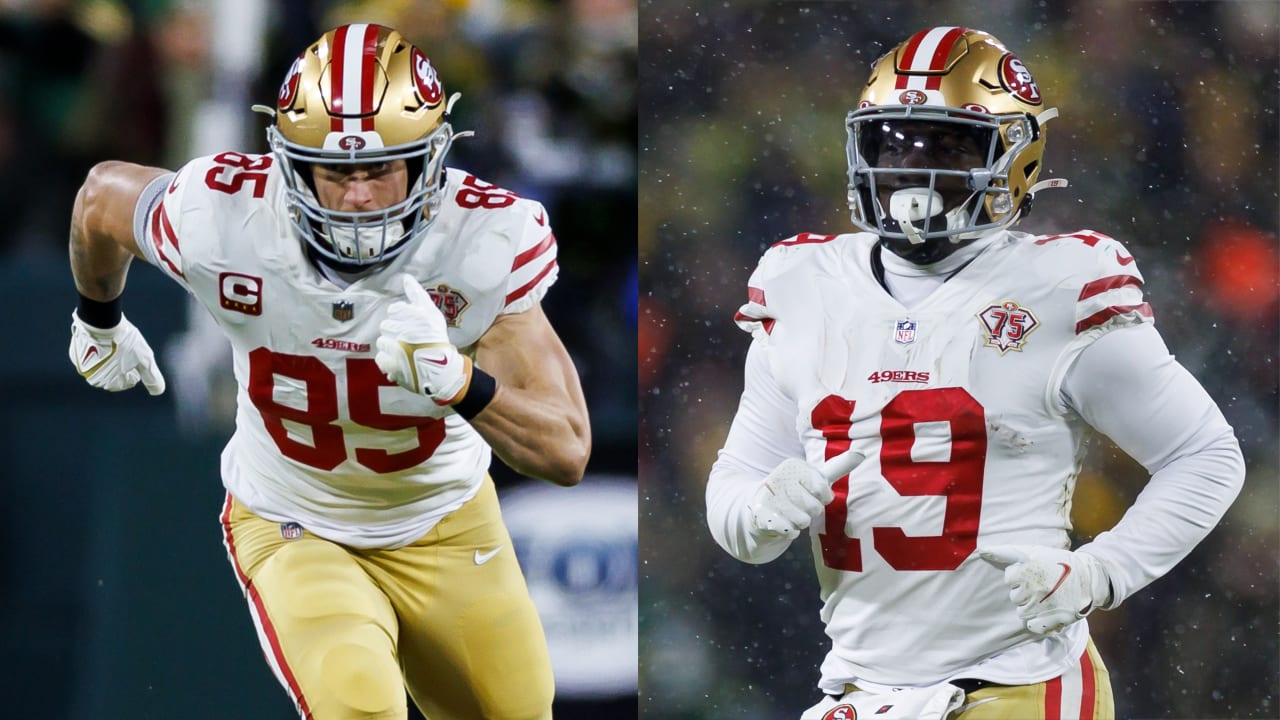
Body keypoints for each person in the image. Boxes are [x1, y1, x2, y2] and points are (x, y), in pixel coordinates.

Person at [705, 26, 1244, 720]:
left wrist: (1101, 572)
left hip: (1014, 683)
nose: (914, 165)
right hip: (860, 694)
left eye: (949, 143)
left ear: (1016, 157)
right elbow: (737, 489)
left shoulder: (1058, 286)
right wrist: (758, 514)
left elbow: (1204, 455)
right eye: (894, 141)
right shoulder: (803, 281)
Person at [67, 23, 590, 720]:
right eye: (337, 170)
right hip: (296, 516)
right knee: (359, 704)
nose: (358, 198)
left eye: (382, 168)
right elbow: (101, 198)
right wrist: (96, 320)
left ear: (430, 160)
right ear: (290, 163)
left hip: (443, 517)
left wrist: (459, 385)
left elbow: (565, 449)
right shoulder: (224, 219)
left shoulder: (479, 243)